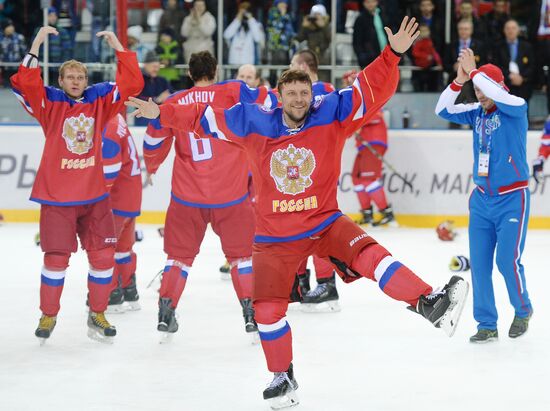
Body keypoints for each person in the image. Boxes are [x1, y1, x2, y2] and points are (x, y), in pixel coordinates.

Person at [127, 17, 468, 407]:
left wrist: (391, 55)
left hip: (324, 221)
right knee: (267, 311)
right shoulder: (254, 120)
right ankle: (282, 377)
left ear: (311, 92)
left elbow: (367, 92)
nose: (298, 100)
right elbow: (203, 120)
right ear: (279, 96)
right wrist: (160, 115)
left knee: (373, 255)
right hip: (273, 236)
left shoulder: (330, 112)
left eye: (303, 92)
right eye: (290, 94)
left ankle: (430, 303)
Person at [11, 26, 143, 344]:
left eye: (80, 77)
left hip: (94, 196)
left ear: (86, 81)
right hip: (57, 198)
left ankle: (97, 313)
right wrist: (38, 41)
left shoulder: (99, 102)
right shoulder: (49, 104)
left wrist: (118, 47)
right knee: (56, 261)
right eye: (69, 76)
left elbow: (132, 84)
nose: (75, 81)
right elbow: (22, 82)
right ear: (61, 81)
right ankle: (48, 314)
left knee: (103, 257)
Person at [142, 51, 277, 342]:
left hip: (186, 197)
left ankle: (166, 311)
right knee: (242, 258)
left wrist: (151, 166)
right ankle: (250, 314)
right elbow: (269, 100)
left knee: (178, 259)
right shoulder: (233, 91)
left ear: (189, 74)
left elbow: (153, 139)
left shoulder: (174, 102)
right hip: (232, 195)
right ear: (215, 72)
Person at [435, 49, 533, 343]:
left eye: (484, 88)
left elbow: (495, 92)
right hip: (481, 201)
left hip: (512, 198)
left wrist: (477, 73)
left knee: (506, 260)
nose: (479, 94)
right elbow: (442, 110)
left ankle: (523, 309)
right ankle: (487, 323)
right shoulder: (477, 112)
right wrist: (459, 81)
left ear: (500, 86)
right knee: (479, 265)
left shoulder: (516, 106)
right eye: (475, 90)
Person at [289, 48, 340, 312]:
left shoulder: (319, 92)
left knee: (317, 227)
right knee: (297, 226)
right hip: (304, 169)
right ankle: (301, 283)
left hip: (315, 171)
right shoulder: (325, 90)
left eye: (293, 65)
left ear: (304, 67)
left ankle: (326, 283)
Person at [342, 70, 395, 228]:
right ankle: (367, 214)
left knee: (368, 179)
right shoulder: (353, 98)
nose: (344, 85)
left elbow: (376, 114)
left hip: (373, 142)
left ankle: (387, 213)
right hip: (364, 145)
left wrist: (357, 124)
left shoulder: (366, 94)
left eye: (346, 82)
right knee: (356, 178)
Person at [101, 113, 143, 313]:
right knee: (123, 248)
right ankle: (129, 291)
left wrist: (97, 200)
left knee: (104, 248)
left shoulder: (109, 125)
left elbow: (110, 168)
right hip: (130, 196)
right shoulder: (116, 119)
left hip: (116, 199)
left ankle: (111, 295)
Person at [492, 19, 535, 103]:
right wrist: (509, 75)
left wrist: (522, 78)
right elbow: (496, 65)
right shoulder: (498, 47)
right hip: (504, 85)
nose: (510, 31)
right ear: (504, 30)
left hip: (523, 85)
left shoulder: (527, 46)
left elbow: (532, 66)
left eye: (513, 28)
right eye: (508, 28)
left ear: (518, 30)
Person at [32, 7, 72, 79]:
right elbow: (34, 48)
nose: (53, 18)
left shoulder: (62, 31)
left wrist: (62, 65)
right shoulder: (39, 31)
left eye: (54, 15)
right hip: (42, 67)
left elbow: (67, 50)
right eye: (50, 15)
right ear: (45, 17)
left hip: (57, 67)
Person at [136, 51, 172, 126]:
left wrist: (169, 97)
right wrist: (157, 99)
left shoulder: (162, 80)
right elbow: (136, 99)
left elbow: (170, 94)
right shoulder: (139, 80)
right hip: (143, 118)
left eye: (158, 67)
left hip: (160, 119)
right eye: (154, 66)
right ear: (145, 65)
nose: (156, 69)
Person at [353, 0, 388, 68]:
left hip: (386, 56)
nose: (370, 4)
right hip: (370, 59)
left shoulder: (383, 15)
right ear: (363, 3)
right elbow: (357, 41)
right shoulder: (360, 19)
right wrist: (362, 57)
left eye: (372, 1)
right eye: (367, 2)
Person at [266, 0, 295, 65]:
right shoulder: (272, 14)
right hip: (275, 47)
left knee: (284, 68)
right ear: (277, 4)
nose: (284, 5)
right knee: (274, 68)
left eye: (285, 4)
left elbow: (290, 31)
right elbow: (274, 29)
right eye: (282, 3)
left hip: (285, 46)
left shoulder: (287, 16)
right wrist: (282, 16)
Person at [0, 18, 25, 87]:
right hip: (4, 69)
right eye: (8, 26)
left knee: (17, 89)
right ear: (4, 28)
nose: (11, 28)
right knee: (5, 90)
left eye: (12, 26)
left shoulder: (19, 37)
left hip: (17, 69)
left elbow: (25, 52)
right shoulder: (1, 38)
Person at [532, 116, 550, 183]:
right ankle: (537, 169)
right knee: (542, 157)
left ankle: (538, 169)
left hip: (545, 143)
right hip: (546, 142)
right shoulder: (548, 123)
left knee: (542, 157)